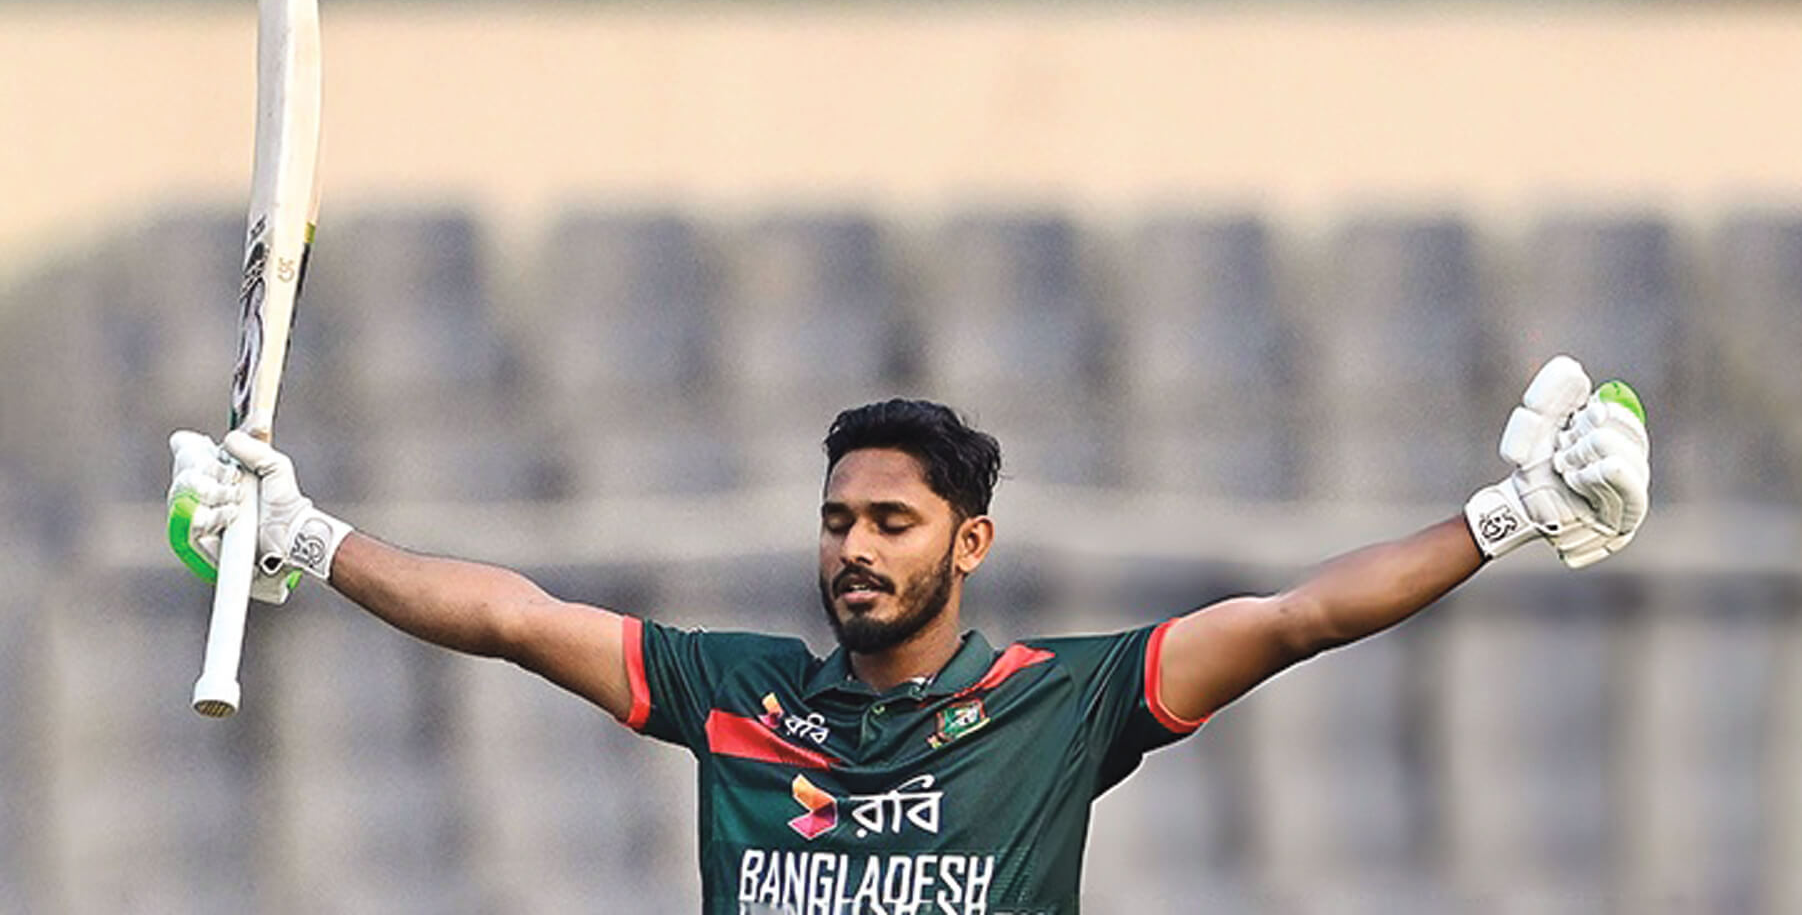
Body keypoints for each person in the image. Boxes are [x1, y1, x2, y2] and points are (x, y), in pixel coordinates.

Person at [166, 355, 1649, 915]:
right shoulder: (738, 692)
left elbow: (1299, 616)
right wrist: (308, 538)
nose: (855, 550)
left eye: (890, 521)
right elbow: (509, 617)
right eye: (838, 522)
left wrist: (1510, 514)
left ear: (967, 543)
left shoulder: (1062, 703)